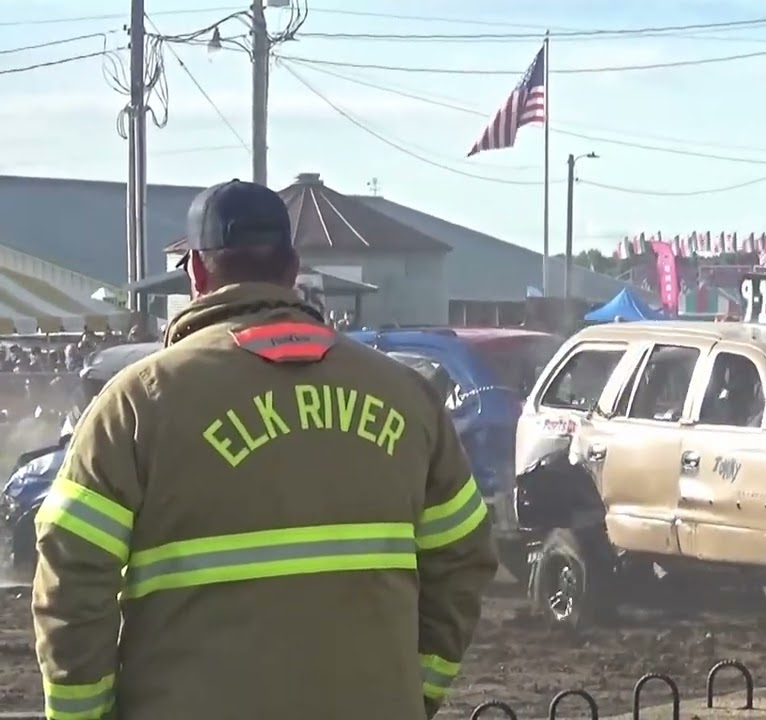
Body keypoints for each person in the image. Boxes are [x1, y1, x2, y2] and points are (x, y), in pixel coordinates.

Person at [31, 179, 498, 720]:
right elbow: (463, 555)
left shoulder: (137, 403)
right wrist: (416, 690)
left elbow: (71, 578)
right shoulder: (407, 396)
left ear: (196, 272)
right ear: (292, 268)